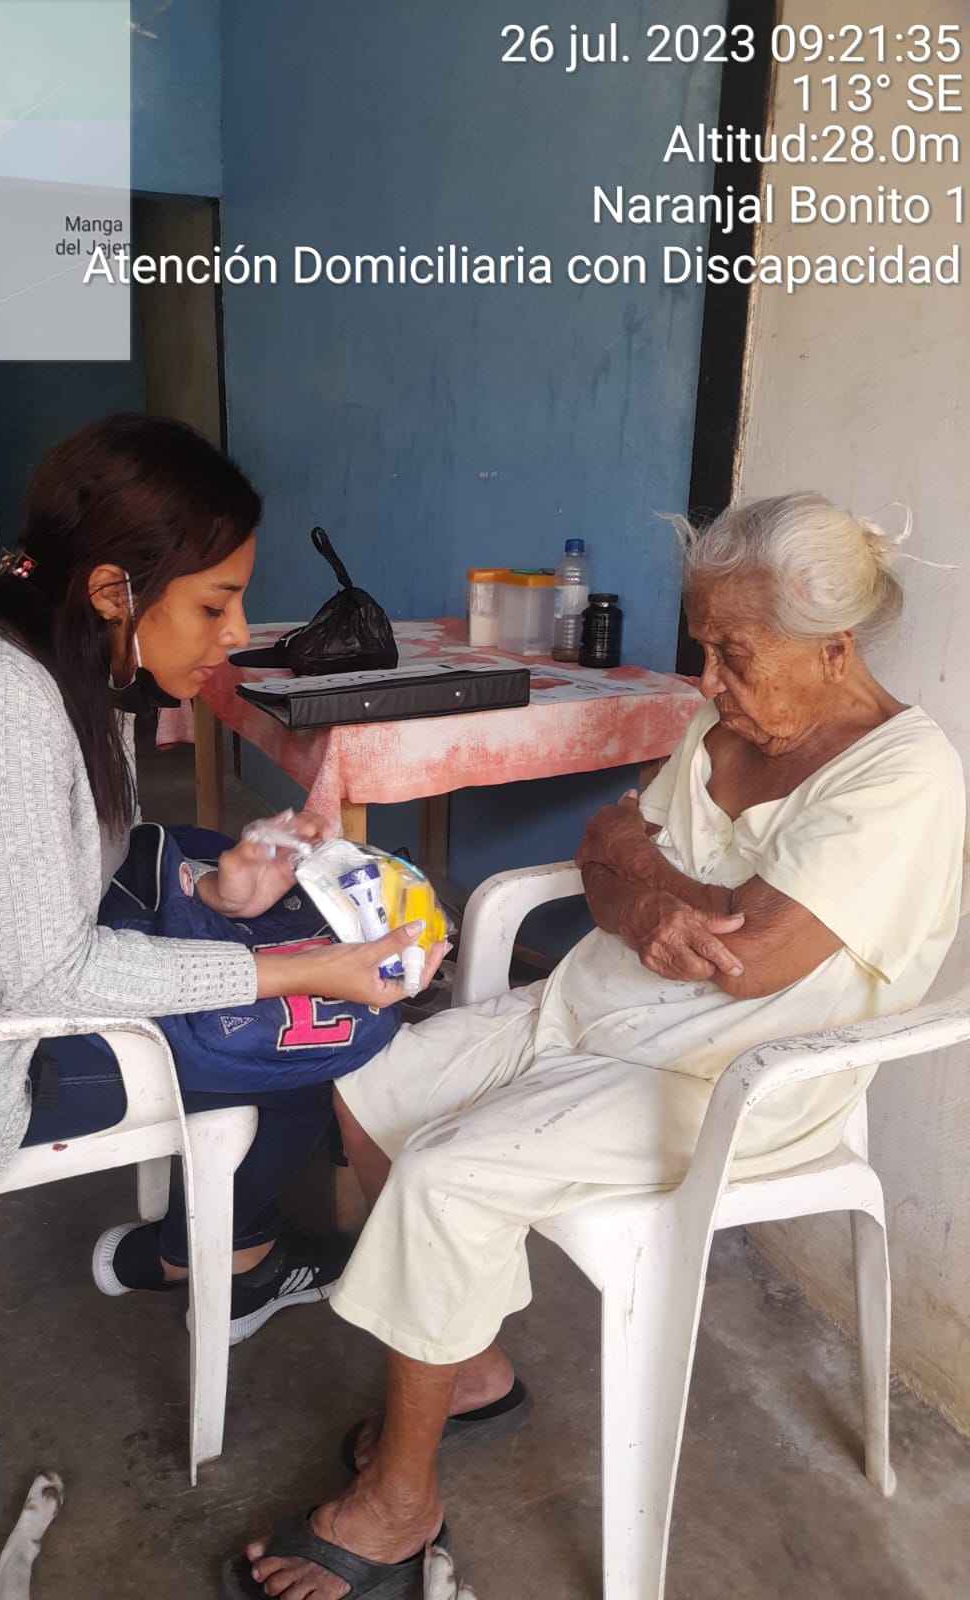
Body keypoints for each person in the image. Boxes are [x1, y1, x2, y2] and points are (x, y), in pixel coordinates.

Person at [224, 491, 967, 1599]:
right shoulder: (729, 728)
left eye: (733, 653)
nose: (708, 682)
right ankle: (469, 1364)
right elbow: (601, 852)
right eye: (703, 648)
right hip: (595, 1010)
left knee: (444, 1173)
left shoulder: (902, 777)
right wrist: (652, 892)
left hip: (725, 1077)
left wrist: (643, 874)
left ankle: (399, 1507)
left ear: (835, 646)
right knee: (368, 1075)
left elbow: (746, 956)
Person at [0, 414, 443, 1344]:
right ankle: (230, 1262)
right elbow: (51, 977)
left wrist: (214, 891)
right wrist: (302, 973)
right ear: (112, 589)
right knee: (327, 1027)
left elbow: (74, 857)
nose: (236, 635)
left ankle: (191, 1247)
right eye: (214, 606)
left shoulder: (49, 649)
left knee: (257, 914)